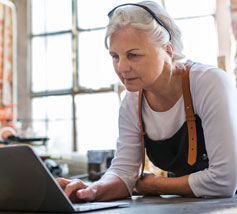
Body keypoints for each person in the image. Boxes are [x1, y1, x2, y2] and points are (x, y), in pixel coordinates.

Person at [57, 1, 237, 201]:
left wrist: (156, 185)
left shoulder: (209, 83)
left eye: (133, 55)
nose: (121, 67)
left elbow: (224, 181)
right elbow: (124, 173)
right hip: (188, 208)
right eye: (115, 56)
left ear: (168, 51)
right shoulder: (132, 101)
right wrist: (92, 190)